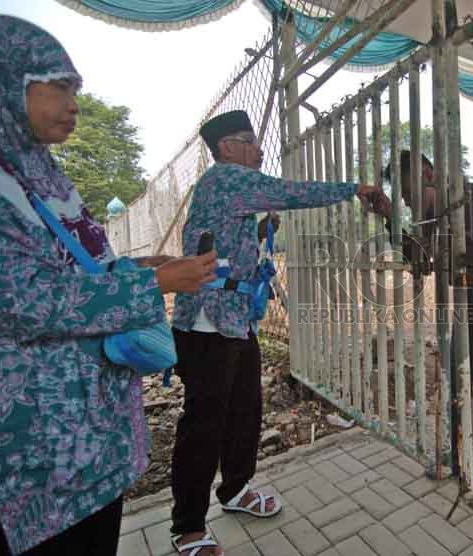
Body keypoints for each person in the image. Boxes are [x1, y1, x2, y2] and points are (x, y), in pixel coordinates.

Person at [0, 15, 218, 556]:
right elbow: (26, 301)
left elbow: (71, 266)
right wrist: (154, 285)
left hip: (89, 438)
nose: (73, 102)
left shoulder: (39, 173)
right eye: (57, 85)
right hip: (36, 452)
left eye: (76, 89)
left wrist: (132, 266)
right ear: (0, 81)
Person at [169, 110, 382, 556]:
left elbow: (227, 235)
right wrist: (355, 188)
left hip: (235, 318)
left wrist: (260, 231)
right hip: (208, 320)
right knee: (204, 424)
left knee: (245, 409)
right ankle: (188, 526)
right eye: (249, 141)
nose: (259, 149)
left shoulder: (230, 188)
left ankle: (235, 490)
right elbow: (292, 192)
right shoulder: (226, 178)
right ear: (227, 148)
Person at [380, 150, 473, 488]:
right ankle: (454, 453)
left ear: (429, 174)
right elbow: (416, 258)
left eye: (409, 193)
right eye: (403, 197)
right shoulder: (430, 223)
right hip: (466, 309)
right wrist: (389, 217)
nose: (408, 202)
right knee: (455, 385)